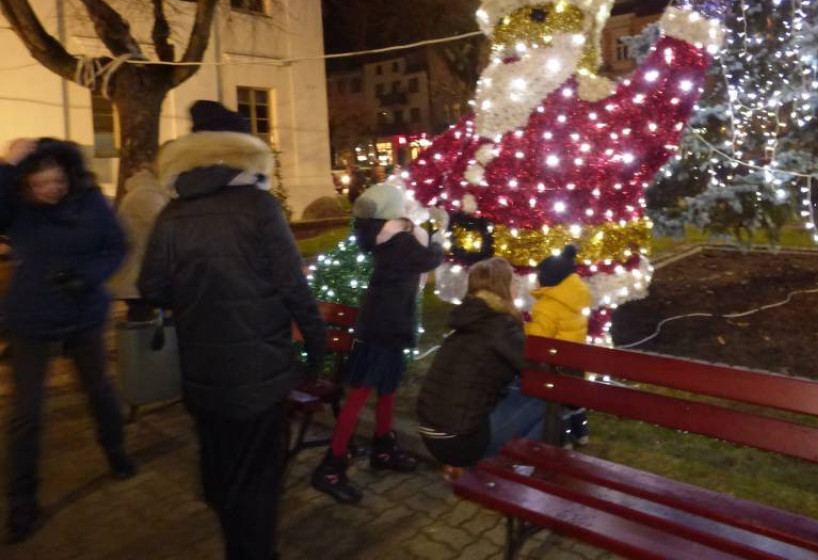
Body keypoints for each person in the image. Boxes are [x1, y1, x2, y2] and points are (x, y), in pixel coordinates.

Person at [138, 100, 327, 560]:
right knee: (260, 475)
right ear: (244, 155)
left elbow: (152, 287)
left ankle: (234, 540)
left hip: (203, 370)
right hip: (260, 372)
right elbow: (291, 285)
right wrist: (316, 341)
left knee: (220, 463)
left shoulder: (172, 214)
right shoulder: (259, 207)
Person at [0, 137, 131, 544]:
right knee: (27, 412)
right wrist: (8, 163)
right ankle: (23, 500)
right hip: (31, 317)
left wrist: (87, 277)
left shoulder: (91, 202)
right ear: (26, 184)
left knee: (99, 392)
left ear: (68, 175)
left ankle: (115, 451)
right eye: (38, 183)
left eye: (55, 181)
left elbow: (117, 247)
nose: (48, 190)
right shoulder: (16, 207)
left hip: (82, 313)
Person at [311, 182, 445, 505]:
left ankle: (383, 446)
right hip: (384, 328)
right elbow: (429, 258)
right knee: (360, 394)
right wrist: (441, 231)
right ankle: (331, 465)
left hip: (387, 324)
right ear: (391, 209)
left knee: (387, 388)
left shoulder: (381, 233)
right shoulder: (397, 239)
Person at [416, 257, 546, 470]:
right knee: (547, 401)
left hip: (431, 430)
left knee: (517, 390)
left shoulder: (468, 318)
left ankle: (503, 464)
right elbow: (537, 373)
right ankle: (521, 467)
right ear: (504, 289)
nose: (515, 288)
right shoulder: (500, 325)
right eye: (512, 283)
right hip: (461, 442)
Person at [526, 245, 591, 446]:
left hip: (557, 364)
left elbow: (538, 339)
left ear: (549, 279)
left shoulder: (547, 307)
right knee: (574, 400)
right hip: (577, 360)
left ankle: (563, 441)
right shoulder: (578, 295)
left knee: (558, 403)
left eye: (538, 276)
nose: (536, 280)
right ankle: (581, 433)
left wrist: (524, 329)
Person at [108, 163, 168, 322]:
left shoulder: (151, 192)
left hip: (140, 271)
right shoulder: (146, 194)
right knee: (142, 318)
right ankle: (139, 346)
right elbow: (164, 227)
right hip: (138, 273)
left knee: (143, 315)